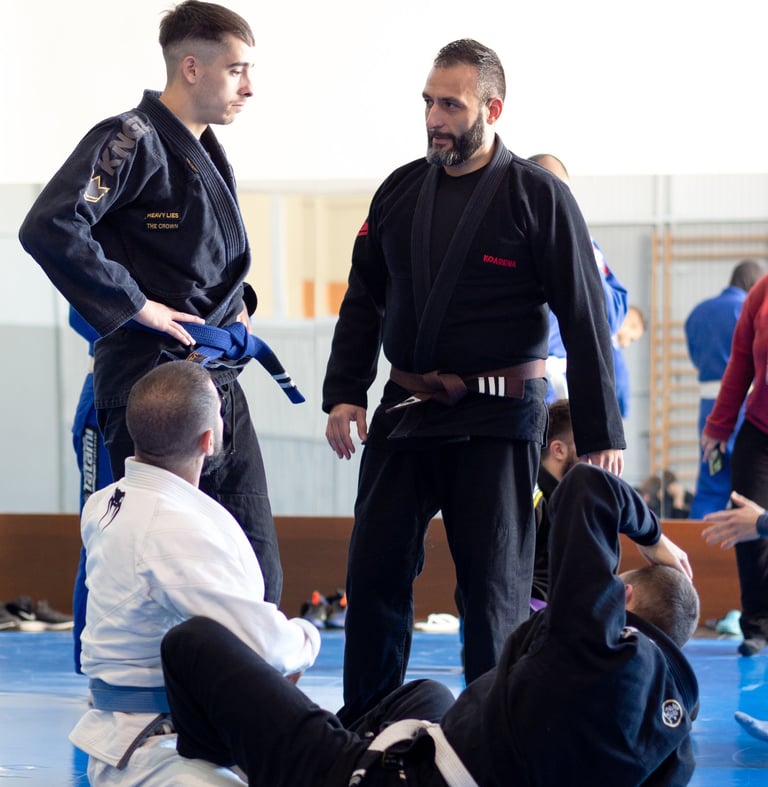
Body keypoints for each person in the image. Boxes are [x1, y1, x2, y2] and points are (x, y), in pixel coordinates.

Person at [322, 38, 625, 724]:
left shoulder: (538, 197)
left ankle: (496, 731)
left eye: (451, 105)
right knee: (373, 572)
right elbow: (364, 297)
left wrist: (601, 433)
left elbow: (584, 315)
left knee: (493, 591)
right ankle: (367, 723)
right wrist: (345, 391)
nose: (435, 117)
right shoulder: (399, 190)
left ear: (492, 109)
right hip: (406, 407)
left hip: (499, 418)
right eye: (429, 102)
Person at [160, 463, 699, 786]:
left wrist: (654, 537)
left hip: (402, 779)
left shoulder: (597, 638)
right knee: (428, 694)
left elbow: (588, 485)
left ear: (623, 597)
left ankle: (227, 769)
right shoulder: (677, 749)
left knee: (191, 642)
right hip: (455, 756)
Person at [18, 0, 285, 604]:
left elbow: (194, 262)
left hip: (215, 379)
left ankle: (248, 667)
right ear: (192, 67)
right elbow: (51, 225)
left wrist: (238, 305)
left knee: (254, 565)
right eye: (236, 70)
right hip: (151, 382)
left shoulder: (205, 149)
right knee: (153, 570)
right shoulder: (130, 138)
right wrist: (138, 305)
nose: (249, 87)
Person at [70, 360, 320, 785]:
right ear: (209, 439)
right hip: (153, 748)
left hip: (152, 731)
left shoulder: (106, 503)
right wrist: (307, 636)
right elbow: (268, 646)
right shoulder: (171, 528)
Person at [701, 271, 768, 657]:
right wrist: (718, 426)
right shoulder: (761, 292)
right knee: (746, 522)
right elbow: (740, 362)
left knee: (759, 522)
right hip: (759, 428)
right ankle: (758, 624)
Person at [528, 153, 629, 404]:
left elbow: (610, 316)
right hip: (515, 388)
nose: (555, 200)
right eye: (545, 189)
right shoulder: (501, 242)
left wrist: (582, 254)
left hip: (565, 389)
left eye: (561, 191)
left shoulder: (585, 247)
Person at [685, 259, 764, 518]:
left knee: (711, 481)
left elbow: (695, 357)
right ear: (752, 284)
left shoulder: (698, 312)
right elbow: (748, 360)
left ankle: (700, 541)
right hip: (744, 404)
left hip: (709, 405)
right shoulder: (749, 306)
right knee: (747, 488)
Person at [69, 307, 114, 674]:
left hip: (165, 398)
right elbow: (81, 312)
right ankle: (92, 665)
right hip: (105, 395)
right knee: (101, 530)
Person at [531, 398, 577, 602]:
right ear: (558, 450)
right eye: (589, 445)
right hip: (527, 614)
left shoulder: (573, 501)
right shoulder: (531, 499)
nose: (598, 458)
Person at [612, 304, 646, 419]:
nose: (627, 345)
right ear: (628, 322)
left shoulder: (615, 349)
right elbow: (620, 384)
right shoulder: (613, 350)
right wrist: (623, 409)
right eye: (631, 339)